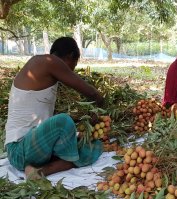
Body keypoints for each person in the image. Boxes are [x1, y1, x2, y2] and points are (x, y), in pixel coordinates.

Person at [5, 37, 104, 180]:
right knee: (64, 121)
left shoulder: (45, 71)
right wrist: (100, 104)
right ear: (70, 56)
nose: (72, 70)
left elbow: (44, 122)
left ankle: (39, 171)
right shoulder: (48, 62)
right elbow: (91, 93)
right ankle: (67, 160)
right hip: (19, 150)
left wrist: (76, 133)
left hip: (35, 149)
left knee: (92, 145)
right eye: (74, 64)